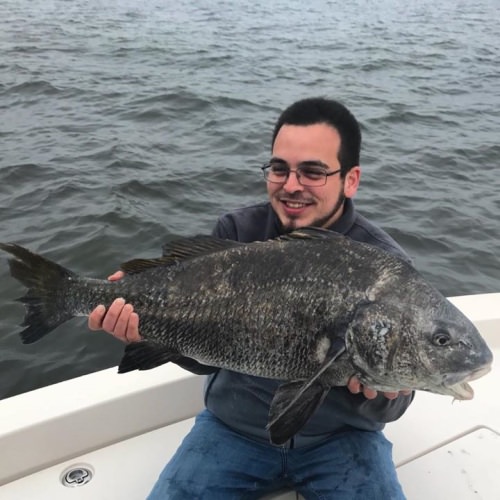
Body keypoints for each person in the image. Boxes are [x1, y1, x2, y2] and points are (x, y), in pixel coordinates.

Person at [89, 97, 414, 499]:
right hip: (233, 431)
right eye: (279, 169)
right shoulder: (235, 233)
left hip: (341, 440)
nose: (291, 185)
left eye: (312, 172)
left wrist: (381, 396)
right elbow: (205, 357)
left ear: (350, 180)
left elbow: (398, 402)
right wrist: (149, 335)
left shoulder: (386, 267)